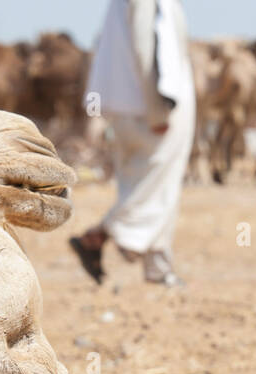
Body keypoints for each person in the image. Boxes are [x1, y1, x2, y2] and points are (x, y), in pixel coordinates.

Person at [70, 0, 195, 287]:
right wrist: (157, 110)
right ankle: (99, 235)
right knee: (154, 186)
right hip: (147, 110)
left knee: (150, 185)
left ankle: (158, 267)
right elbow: (145, 47)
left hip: (129, 108)